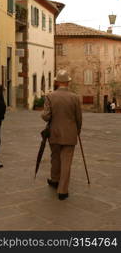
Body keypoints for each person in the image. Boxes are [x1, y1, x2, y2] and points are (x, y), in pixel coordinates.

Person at [41, 69, 82, 200]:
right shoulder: (75, 98)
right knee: (66, 161)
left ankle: (55, 179)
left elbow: (46, 117)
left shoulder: (50, 96)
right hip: (70, 134)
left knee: (55, 157)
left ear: (57, 82)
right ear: (68, 82)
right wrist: (78, 131)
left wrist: (43, 114)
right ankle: (63, 190)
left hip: (55, 133)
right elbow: (78, 118)